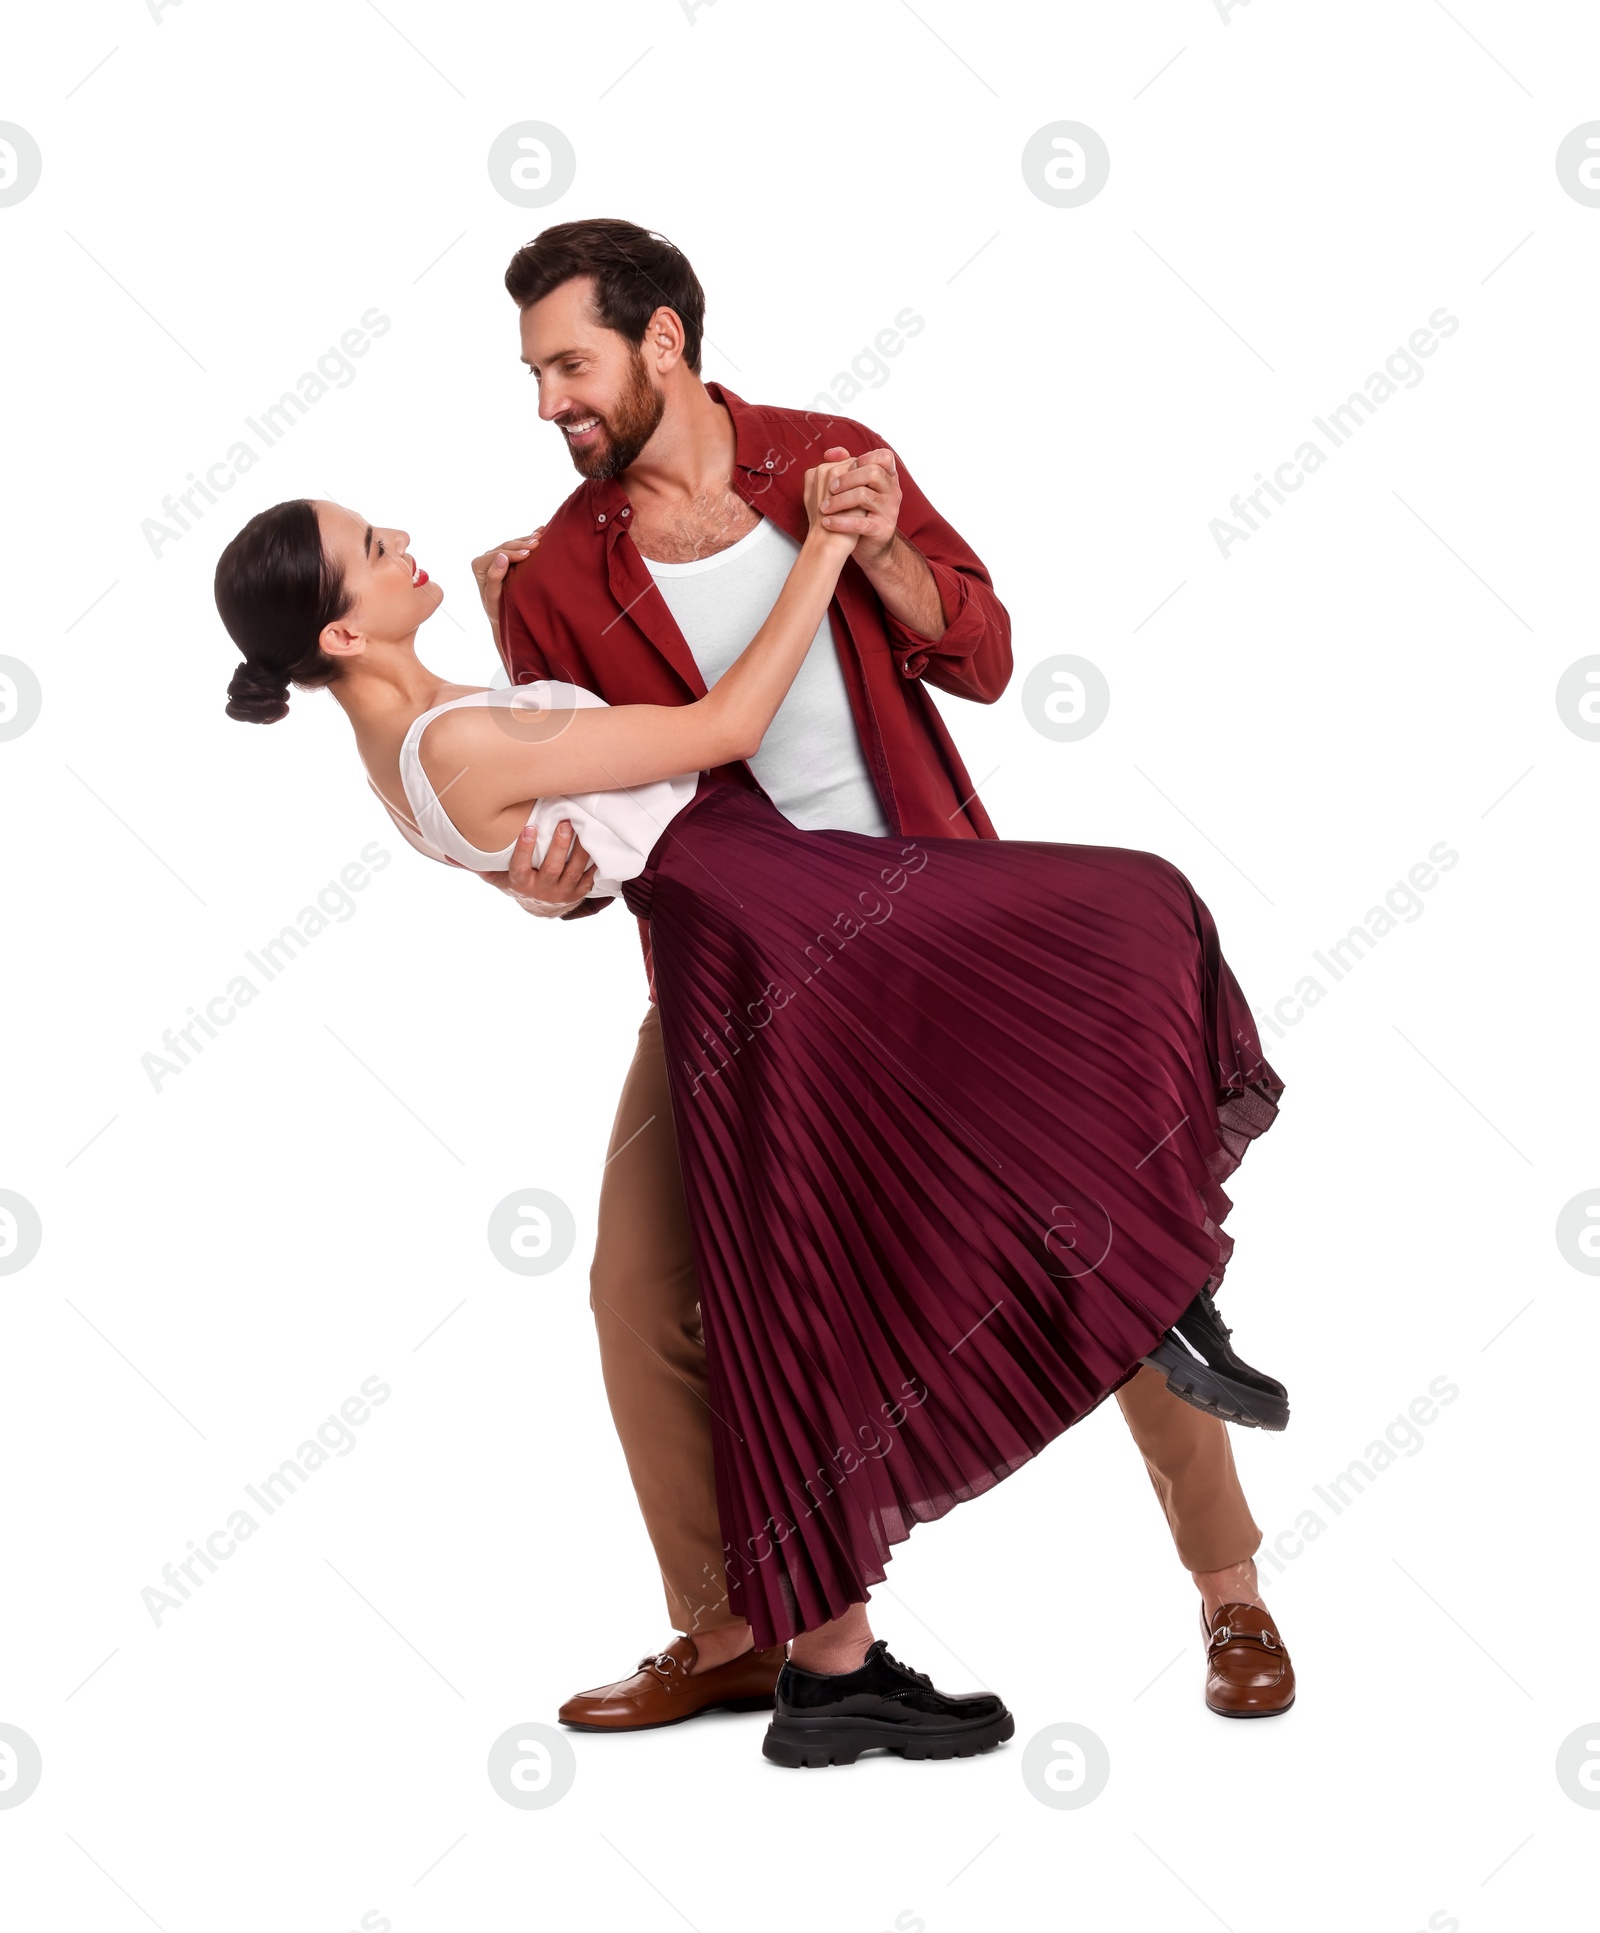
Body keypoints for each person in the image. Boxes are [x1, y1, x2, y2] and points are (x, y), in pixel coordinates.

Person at [213, 468, 1292, 1765]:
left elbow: (548, 798)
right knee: (733, 1270)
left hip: (815, 885)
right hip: (773, 928)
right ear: (340, 634)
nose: (408, 541)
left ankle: (1208, 1567)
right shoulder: (499, 659)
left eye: (568, 365)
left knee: (1030, 1135)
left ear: (660, 344)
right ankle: (777, 1641)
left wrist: (531, 851)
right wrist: (822, 557)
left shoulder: (477, 677)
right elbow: (701, 732)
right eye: (375, 547)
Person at [468, 219, 1298, 1728]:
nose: (548, 408)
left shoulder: (831, 462)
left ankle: (1232, 1594)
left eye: (570, 366)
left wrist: (894, 541)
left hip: (936, 936)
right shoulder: (554, 576)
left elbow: (980, 656)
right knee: (638, 1287)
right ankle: (730, 1633)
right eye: (533, 376)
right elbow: (591, 826)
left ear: (663, 342)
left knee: (1097, 1236)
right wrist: (549, 893)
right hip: (732, 980)